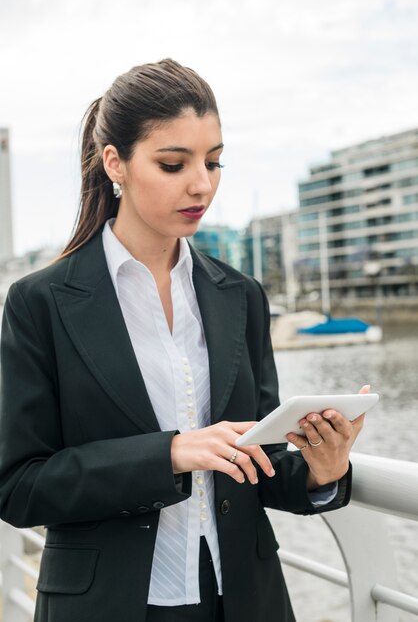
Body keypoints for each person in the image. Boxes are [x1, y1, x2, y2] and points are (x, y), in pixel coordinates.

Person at [0, 58, 365, 622]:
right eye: (174, 163)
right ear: (114, 163)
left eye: (214, 162)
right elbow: (19, 486)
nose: (203, 184)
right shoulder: (39, 302)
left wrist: (324, 467)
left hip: (243, 600)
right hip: (107, 605)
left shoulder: (240, 296)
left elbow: (259, 460)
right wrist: (167, 454)